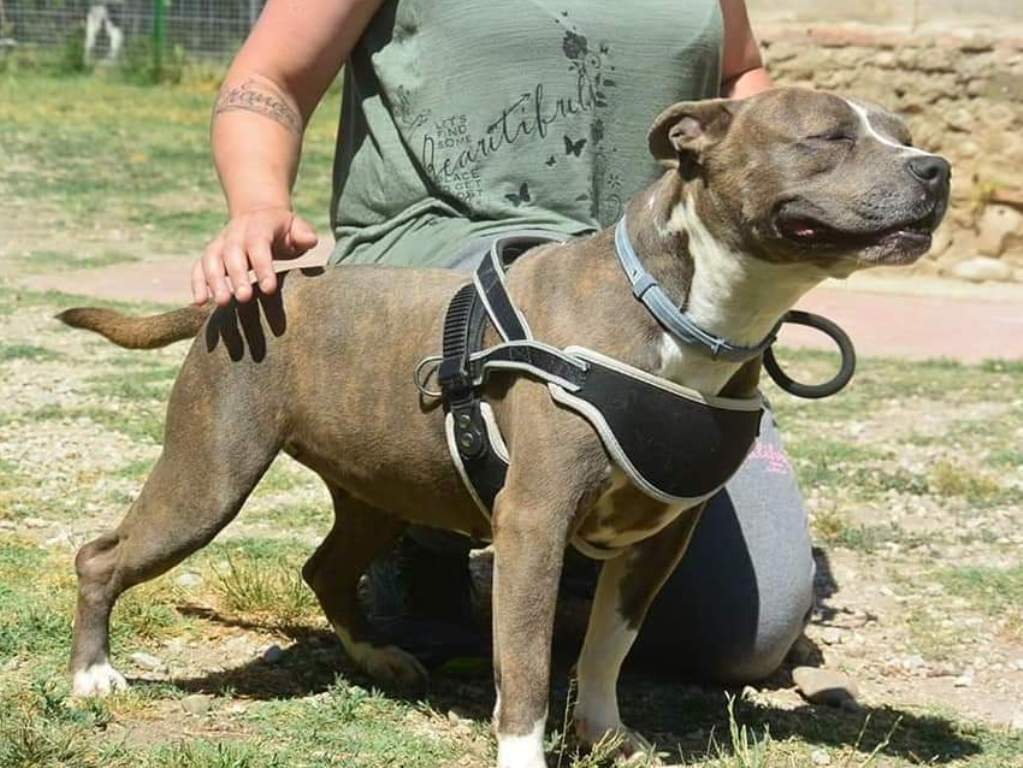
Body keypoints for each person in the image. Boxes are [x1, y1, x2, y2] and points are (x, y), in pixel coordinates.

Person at [194, 0, 815, 683]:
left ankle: (570, 546)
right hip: (454, 259)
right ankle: (411, 517)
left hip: (653, 282)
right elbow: (272, 79)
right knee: (540, 429)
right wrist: (258, 205)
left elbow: (739, 76)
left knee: (743, 635)